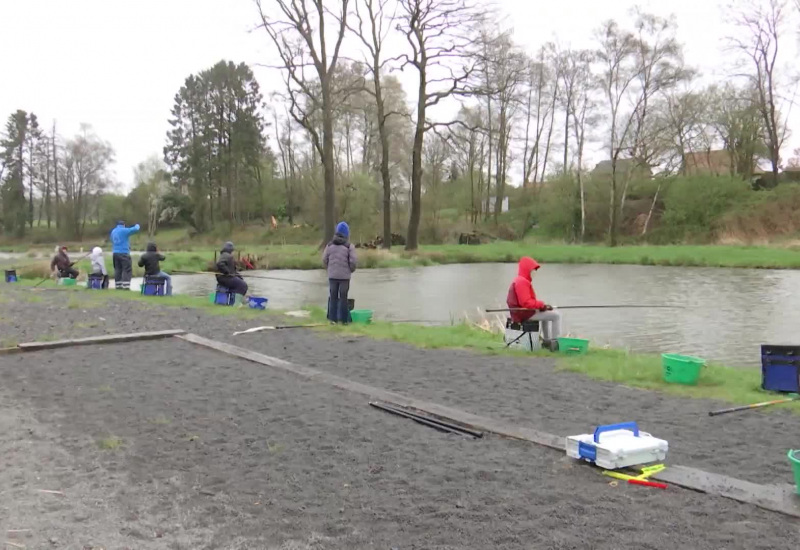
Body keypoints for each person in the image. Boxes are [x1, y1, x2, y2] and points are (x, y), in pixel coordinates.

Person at [507, 256, 562, 350]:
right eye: (533, 270)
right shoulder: (522, 282)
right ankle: (555, 344)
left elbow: (528, 302)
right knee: (556, 316)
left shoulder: (520, 280)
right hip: (524, 314)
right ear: (527, 269)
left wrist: (542, 306)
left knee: (547, 315)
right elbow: (526, 303)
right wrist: (541, 304)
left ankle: (547, 341)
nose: (534, 272)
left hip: (524, 312)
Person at [322, 221, 357, 324]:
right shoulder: (349, 247)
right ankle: (344, 321)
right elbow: (353, 261)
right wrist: (351, 270)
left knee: (333, 297)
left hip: (332, 276)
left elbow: (324, 259)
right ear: (347, 234)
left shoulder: (329, 245)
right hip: (344, 277)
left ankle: (332, 320)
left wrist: (329, 269)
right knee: (343, 298)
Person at [110, 220, 140, 290]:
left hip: (115, 253)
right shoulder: (124, 230)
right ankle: (126, 286)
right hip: (124, 253)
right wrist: (137, 225)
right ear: (123, 225)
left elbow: (112, 240)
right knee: (126, 269)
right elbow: (135, 229)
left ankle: (118, 285)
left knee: (117, 269)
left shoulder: (113, 231)